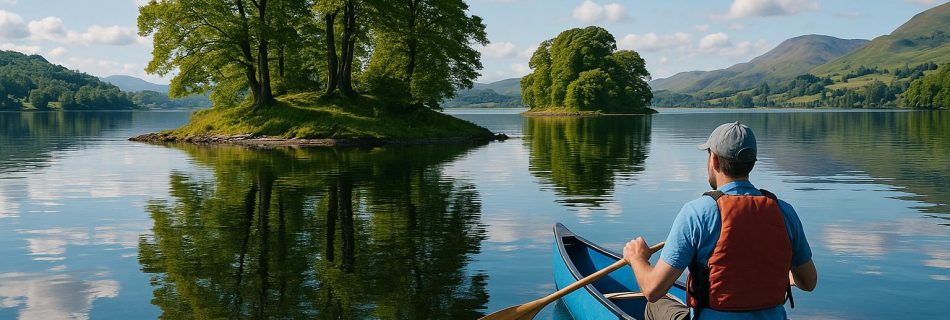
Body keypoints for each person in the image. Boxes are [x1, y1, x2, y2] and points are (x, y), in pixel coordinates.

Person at [622, 122, 818, 320]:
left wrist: (637, 258)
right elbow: (808, 282)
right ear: (752, 163)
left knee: (656, 306)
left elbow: (653, 290)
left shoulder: (697, 213)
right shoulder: (784, 211)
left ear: (714, 160)